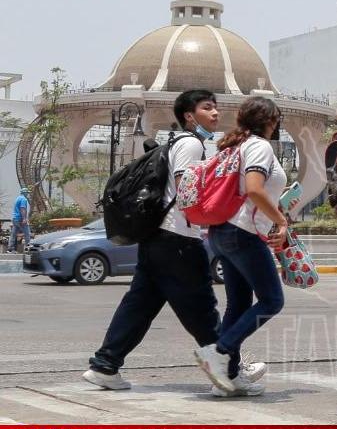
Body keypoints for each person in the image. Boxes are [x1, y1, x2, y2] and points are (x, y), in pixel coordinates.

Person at [84, 90, 264, 390]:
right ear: (189, 116)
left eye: (216, 108)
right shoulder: (192, 144)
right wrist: (211, 217)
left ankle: (106, 364)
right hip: (179, 238)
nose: (215, 113)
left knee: (139, 304)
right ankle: (228, 372)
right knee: (202, 309)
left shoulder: (178, 143)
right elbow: (186, 191)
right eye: (207, 108)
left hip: (157, 238)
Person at [193, 96, 288, 397]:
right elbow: (255, 190)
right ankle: (219, 352)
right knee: (272, 300)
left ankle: (227, 377)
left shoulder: (233, 146)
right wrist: (281, 220)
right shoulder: (259, 146)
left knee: (238, 304)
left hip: (221, 230)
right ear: (269, 120)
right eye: (276, 121)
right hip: (242, 231)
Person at [7, 188, 31, 253]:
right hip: (20, 219)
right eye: (27, 193)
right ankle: (28, 249)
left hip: (15, 218)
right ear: (24, 193)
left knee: (13, 234)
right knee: (27, 233)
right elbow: (22, 209)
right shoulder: (24, 199)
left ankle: (10, 249)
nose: (28, 194)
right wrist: (24, 218)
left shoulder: (17, 198)